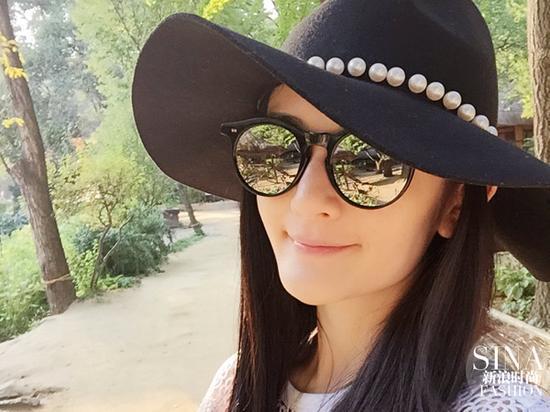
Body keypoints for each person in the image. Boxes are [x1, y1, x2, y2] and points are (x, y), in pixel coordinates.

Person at [131, 1, 550, 410]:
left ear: (454, 204)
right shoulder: (236, 384)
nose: (306, 200)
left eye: (367, 162)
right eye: (279, 149)